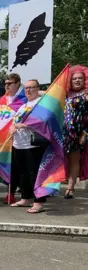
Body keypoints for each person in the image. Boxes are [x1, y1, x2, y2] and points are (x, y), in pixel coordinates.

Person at [0, 73, 26, 203]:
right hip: (0, 138)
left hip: (14, 138)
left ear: (18, 84)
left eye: (10, 83)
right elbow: (0, 115)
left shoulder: (23, 100)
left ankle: (11, 193)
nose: (6, 86)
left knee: (12, 166)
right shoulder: (4, 99)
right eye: (5, 83)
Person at [9, 79, 47, 213]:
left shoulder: (40, 103)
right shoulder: (23, 105)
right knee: (22, 173)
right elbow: (15, 120)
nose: (28, 90)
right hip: (18, 144)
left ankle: (39, 201)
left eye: (32, 88)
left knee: (34, 174)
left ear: (38, 88)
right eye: (26, 88)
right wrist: (13, 126)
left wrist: (22, 125)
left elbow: (40, 121)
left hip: (32, 144)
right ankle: (26, 197)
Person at [63, 67, 88, 199]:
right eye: (74, 78)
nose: (77, 80)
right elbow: (47, 94)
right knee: (60, 159)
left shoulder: (86, 94)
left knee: (74, 160)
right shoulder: (65, 94)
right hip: (64, 131)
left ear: (84, 80)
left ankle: (70, 188)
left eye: (80, 78)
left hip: (80, 133)